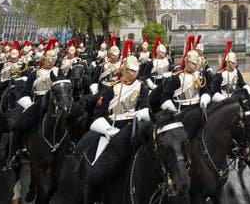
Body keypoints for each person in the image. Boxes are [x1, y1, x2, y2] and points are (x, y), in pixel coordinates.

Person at [85, 40, 150, 203]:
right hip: (111, 130)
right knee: (95, 171)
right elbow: (97, 115)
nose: (134, 74)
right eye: (130, 70)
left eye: (136, 71)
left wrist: (144, 114)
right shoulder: (110, 89)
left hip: (133, 128)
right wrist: (107, 130)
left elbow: (144, 106)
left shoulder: (142, 87)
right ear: (123, 69)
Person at [8, 38, 60, 167]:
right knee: (19, 125)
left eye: (53, 60)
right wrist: (28, 105)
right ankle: (14, 154)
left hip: (55, 102)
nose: (51, 62)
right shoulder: (34, 73)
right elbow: (26, 92)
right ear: (44, 59)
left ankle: (71, 144)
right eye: (49, 60)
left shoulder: (60, 72)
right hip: (37, 102)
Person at [159, 35, 210, 140]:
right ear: (186, 62)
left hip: (198, 107)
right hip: (182, 110)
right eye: (193, 63)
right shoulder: (176, 78)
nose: (196, 66)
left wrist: (205, 98)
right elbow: (165, 98)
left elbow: (206, 90)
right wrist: (174, 110)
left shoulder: (200, 75)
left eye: (197, 64)